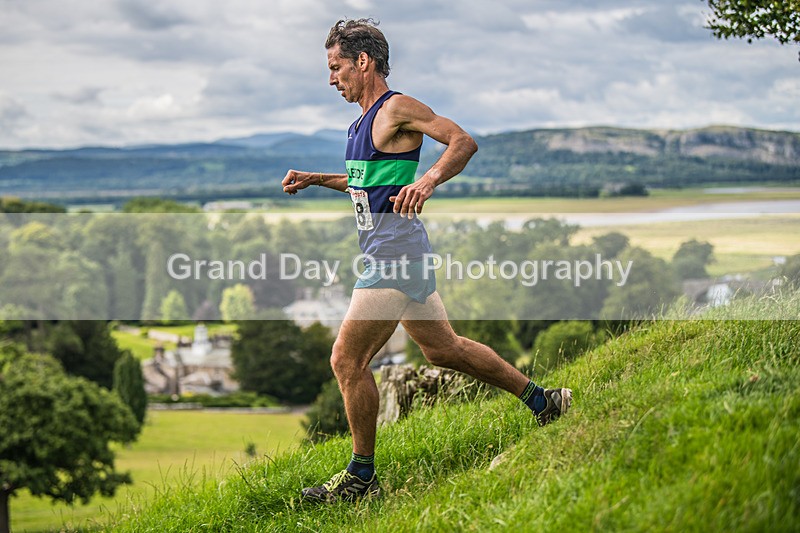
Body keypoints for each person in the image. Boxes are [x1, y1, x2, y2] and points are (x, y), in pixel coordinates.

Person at [281, 18, 571, 504]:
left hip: (394, 257)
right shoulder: (359, 123)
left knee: (346, 360)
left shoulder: (396, 107)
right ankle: (545, 401)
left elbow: (462, 141)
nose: (331, 79)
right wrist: (317, 179)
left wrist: (428, 180)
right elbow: (366, 184)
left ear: (363, 62)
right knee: (444, 350)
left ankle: (361, 477)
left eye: (335, 67)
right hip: (404, 254)